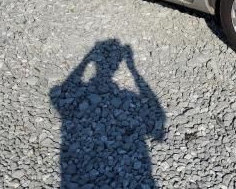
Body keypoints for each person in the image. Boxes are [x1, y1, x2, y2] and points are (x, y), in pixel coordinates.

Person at [50, 39, 165, 188]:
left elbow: (58, 96)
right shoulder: (129, 97)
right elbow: (156, 118)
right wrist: (132, 69)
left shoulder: (87, 95)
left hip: (76, 167)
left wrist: (86, 60)